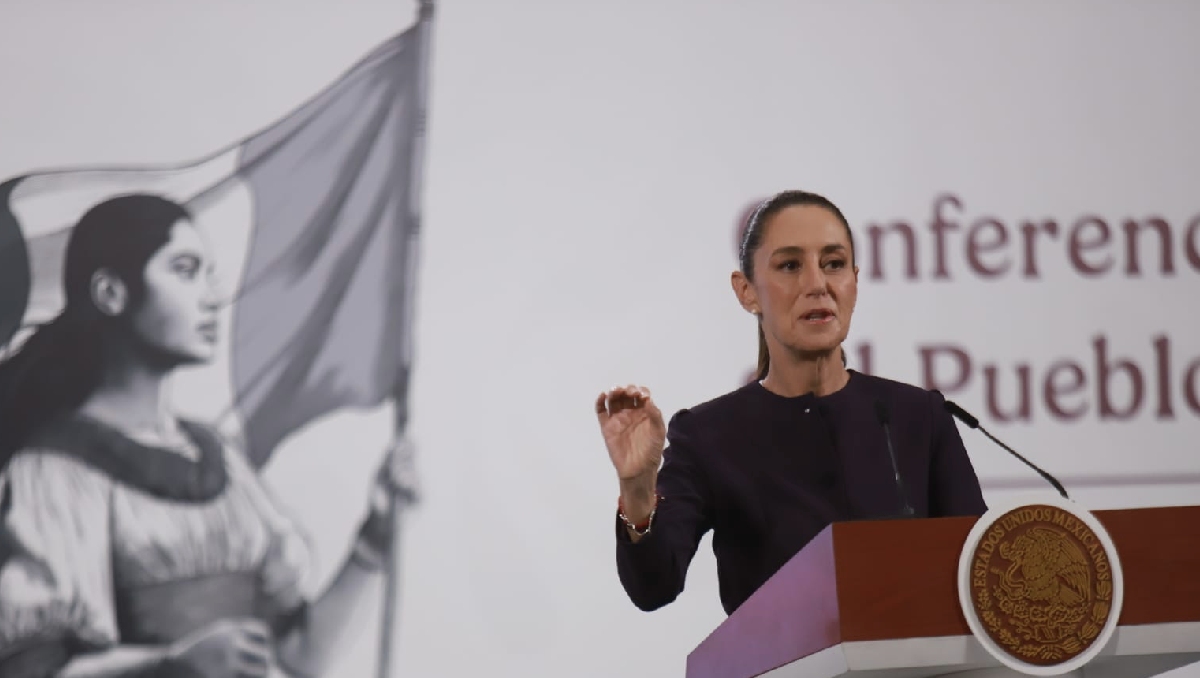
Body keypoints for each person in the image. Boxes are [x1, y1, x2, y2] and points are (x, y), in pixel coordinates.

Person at [0, 194, 409, 678]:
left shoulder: (221, 460)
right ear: (111, 293)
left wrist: (376, 535)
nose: (212, 296)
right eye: (185, 270)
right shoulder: (54, 470)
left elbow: (302, 656)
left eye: (209, 273)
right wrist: (172, 665)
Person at [595, 189, 987, 616]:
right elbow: (655, 586)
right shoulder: (710, 435)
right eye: (790, 266)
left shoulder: (918, 416)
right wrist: (637, 490)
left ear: (854, 281)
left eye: (833, 264)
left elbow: (980, 577)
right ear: (747, 292)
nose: (817, 284)